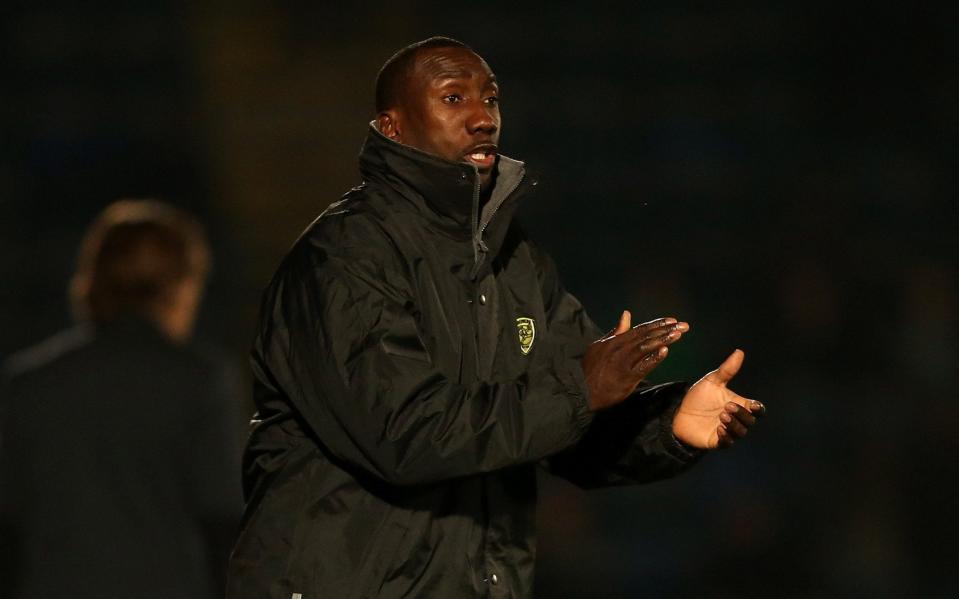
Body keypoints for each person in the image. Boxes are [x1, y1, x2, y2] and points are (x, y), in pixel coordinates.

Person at [226, 37, 765, 598]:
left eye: (491, 99)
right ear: (391, 127)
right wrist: (581, 387)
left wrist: (668, 422)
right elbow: (406, 435)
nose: (483, 118)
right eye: (454, 98)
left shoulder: (515, 262)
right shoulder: (344, 257)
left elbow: (568, 422)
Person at [0, 200, 244, 599]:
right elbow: (221, 520)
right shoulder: (199, 381)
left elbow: (9, 528)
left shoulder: (29, 383)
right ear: (183, 286)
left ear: (90, 279)